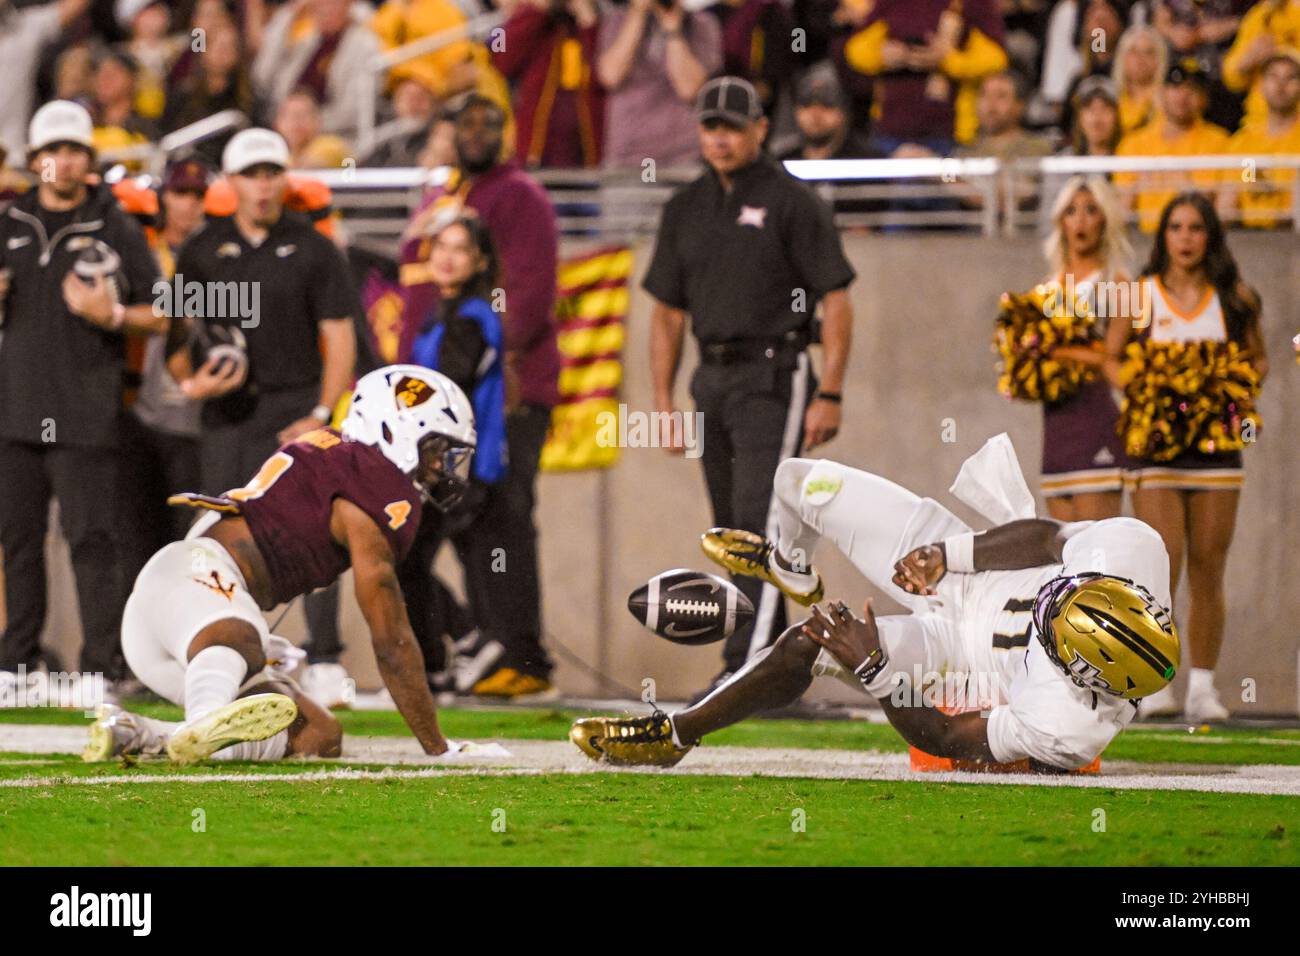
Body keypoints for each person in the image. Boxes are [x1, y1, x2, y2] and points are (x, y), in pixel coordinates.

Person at [571, 446, 1180, 772]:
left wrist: (875, 670)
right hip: (979, 578)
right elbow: (1049, 539)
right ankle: (789, 566)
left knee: (812, 642)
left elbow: (944, 737)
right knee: (802, 481)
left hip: (964, 659)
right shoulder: (1133, 551)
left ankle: (676, 733)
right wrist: (951, 553)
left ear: (1084, 677)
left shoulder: (1069, 725)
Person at [83, 365, 477, 764]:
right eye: (436, 451)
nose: (440, 468)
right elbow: (390, 637)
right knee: (244, 636)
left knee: (319, 734)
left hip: (179, 623)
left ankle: (146, 735)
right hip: (198, 588)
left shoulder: (328, 449)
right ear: (398, 433)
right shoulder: (377, 486)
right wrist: (438, 747)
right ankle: (205, 719)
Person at [644, 76, 855, 699]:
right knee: (729, 528)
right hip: (709, 378)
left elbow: (837, 298)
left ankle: (747, 669)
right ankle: (775, 672)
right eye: (710, 126)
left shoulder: (792, 200)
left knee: (758, 526)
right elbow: (665, 314)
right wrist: (661, 401)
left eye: (733, 126)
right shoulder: (684, 208)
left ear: (761, 128)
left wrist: (832, 391)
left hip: (775, 371)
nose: (720, 138)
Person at [0, 100, 164, 691]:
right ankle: (15, 665)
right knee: (16, 543)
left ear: (88, 160)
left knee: (92, 541)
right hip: (14, 411)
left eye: (74, 151)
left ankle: (101, 666)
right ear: (35, 161)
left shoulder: (114, 224)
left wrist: (116, 313)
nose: (63, 163)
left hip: (86, 413)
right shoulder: (8, 222)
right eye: (52, 152)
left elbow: (168, 310)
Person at [399, 94, 560, 697]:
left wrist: (496, 366)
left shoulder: (519, 195)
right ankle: (483, 642)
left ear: (506, 130)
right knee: (455, 533)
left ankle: (521, 654)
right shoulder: (446, 197)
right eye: (462, 122)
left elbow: (528, 295)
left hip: (500, 399)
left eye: (486, 123)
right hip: (446, 407)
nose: (473, 133)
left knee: (503, 523)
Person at [1102, 193, 1269, 721]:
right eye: (1176, 227)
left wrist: (1225, 392)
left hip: (1215, 451)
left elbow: (1259, 358)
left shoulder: (1236, 296)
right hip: (1156, 449)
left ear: (1210, 235)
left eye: (1197, 228)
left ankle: (1203, 687)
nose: (1186, 237)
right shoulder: (1139, 293)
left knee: (1208, 566)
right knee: (1161, 562)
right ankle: (1155, 681)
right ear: (1163, 236)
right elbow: (1112, 357)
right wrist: (1149, 391)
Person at [400, 213, 509, 692]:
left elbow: (448, 392)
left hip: (456, 463)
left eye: (460, 248)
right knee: (411, 561)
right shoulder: (442, 311)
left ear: (480, 260)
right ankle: (447, 653)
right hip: (443, 460)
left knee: (407, 560)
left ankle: (465, 639)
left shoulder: (470, 317)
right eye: (440, 245)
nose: (446, 256)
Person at [1033, 176, 1133, 518]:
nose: (1081, 220)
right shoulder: (1045, 288)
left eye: (1092, 210)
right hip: (1056, 430)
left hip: (1097, 425)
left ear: (1106, 219)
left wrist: (1054, 351)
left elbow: (1109, 356)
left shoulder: (1118, 284)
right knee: (1065, 560)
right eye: (1071, 211)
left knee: (1097, 559)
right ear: (1060, 220)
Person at [595, 0, 722, 168]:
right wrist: (637, 14)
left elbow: (690, 89)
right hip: (628, 155)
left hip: (684, 155)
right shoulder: (616, 20)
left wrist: (673, 29)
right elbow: (611, 76)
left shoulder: (703, 24)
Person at [1114, 58, 1231, 232]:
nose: (1182, 95)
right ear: (1161, 93)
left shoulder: (1220, 142)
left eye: (1192, 89)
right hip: (1145, 240)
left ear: (1204, 98)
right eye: (1175, 87)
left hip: (1199, 241)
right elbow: (1122, 211)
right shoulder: (1133, 144)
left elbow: (1219, 209)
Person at [1227, 48, 1300, 228]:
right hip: (1251, 239)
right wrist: (1255, 183)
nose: (1281, 85)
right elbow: (1228, 204)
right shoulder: (1244, 142)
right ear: (1261, 85)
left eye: (1290, 77)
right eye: (1273, 77)